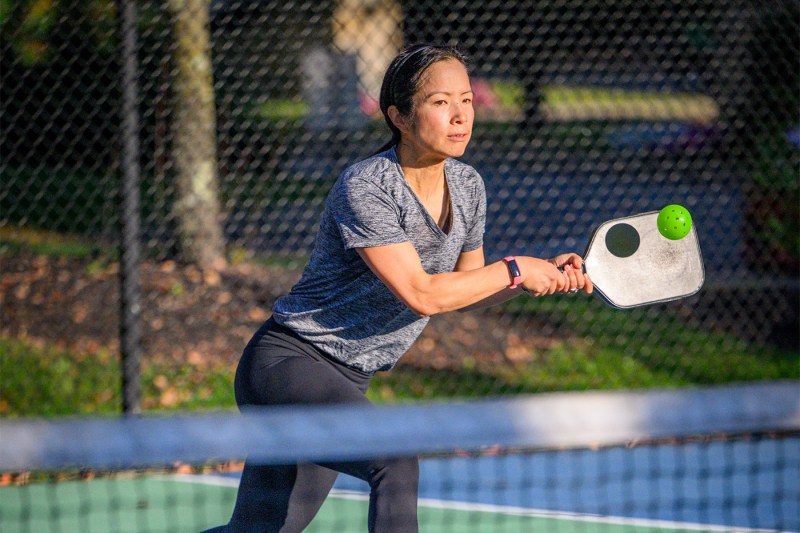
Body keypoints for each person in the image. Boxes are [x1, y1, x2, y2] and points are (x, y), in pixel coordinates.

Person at [206, 43, 592, 533]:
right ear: (400, 117)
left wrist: (536, 278)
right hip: (288, 367)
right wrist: (515, 268)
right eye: (440, 102)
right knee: (395, 459)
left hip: (347, 381)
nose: (459, 116)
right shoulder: (366, 187)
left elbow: (464, 286)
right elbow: (422, 293)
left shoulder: (469, 186)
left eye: (467, 100)